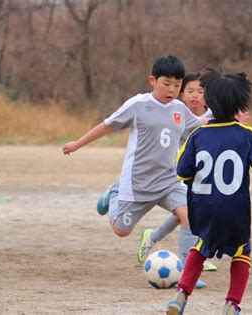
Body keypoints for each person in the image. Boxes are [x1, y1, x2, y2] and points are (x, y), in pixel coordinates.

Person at [165, 68, 252, 315]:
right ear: (240, 104)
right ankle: (231, 304)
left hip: (203, 208)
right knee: (242, 251)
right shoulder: (248, 135)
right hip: (234, 209)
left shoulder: (197, 135)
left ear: (209, 101)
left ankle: (180, 294)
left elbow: (182, 172)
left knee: (201, 246)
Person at [62, 56, 205, 271]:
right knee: (121, 231)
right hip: (138, 183)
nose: (172, 90)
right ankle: (114, 193)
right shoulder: (138, 105)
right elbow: (107, 125)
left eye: (177, 85)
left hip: (169, 180)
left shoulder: (179, 108)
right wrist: (78, 144)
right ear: (152, 81)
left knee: (190, 216)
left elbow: (200, 126)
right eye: (166, 84)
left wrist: (229, 121)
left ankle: (188, 273)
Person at [137, 73, 217, 288]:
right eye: (190, 91)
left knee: (186, 214)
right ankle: (187, 268)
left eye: (200, 92)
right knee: (188, 214)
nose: (195, 96)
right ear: (182, 94)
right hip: (176, 172)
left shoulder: (214, 115)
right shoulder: (174, 111)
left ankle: (153, 237)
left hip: (203, 173)